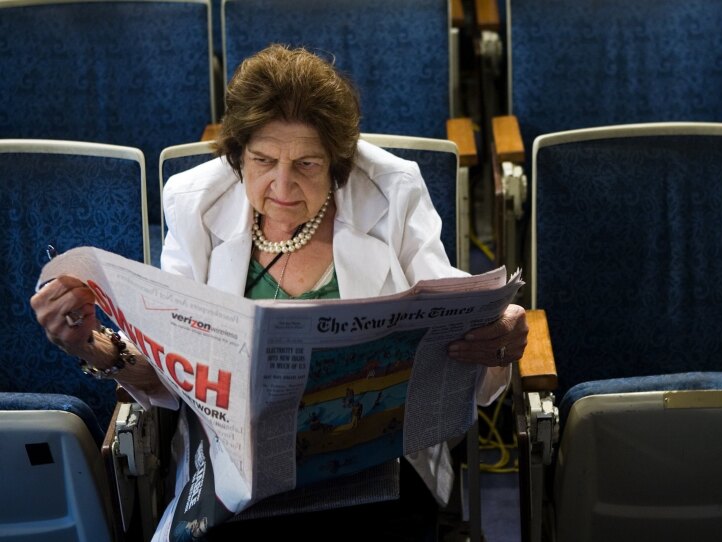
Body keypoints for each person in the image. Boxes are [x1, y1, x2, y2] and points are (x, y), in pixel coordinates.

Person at [30, 43, 528, 540]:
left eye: (307, 164)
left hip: (380, 471)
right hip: (241, 480)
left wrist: (495, 337)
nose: (282, 185)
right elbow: (170, 374)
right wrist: (90, 345)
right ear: (237, 156)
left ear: (336, 164)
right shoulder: (193, 204)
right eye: (263, 160)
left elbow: (453, 316)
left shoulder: (393, 191)